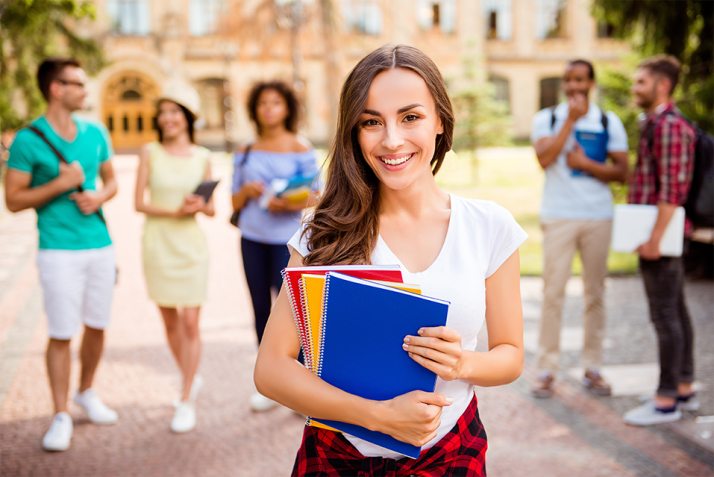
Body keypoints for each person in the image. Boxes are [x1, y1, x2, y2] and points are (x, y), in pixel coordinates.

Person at [254, 44, 527, 475]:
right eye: (371, 122)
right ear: (353, 132)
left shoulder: (489, 226)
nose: (392, 140)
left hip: (451, 453)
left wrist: (463, 364)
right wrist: (377, 417)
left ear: (440, 120)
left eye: (410, 117)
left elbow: (511, 355)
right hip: (337, 455)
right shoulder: (321, 232)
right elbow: (270, 370)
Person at [4, 57, 118, 452]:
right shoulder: (27, 139)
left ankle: (86, 391)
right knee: (61, 332)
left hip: (100, 244)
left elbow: (111, 180)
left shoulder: (96, 131)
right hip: (57, 250)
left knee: (98, 324)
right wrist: (60, 184)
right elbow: (13, 200)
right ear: (57, 88)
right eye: (79, 84)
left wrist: (98, 195)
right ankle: (60, 413)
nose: (86, 91)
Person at [529, 59, 629, 398]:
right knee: (553, 293)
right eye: (568, 80)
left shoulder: (607, 121)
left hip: (598, 216)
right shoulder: (548, 119)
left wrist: (586, 164)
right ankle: (546, 369)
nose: (574, 86)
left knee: (595, 294)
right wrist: (569, 122)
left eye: (580, 80)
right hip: (559, 215)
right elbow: (544, 159)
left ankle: (593, 367)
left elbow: (622, 171)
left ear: (591, 83)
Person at [231, 80, 319, 412]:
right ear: (254, 109)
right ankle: (268, 381)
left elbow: (318, 194)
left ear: (287, 108)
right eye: (262, 103)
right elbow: (233, 197)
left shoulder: (300, 147)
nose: (269, 108)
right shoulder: (245, 150)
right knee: (259, 308)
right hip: (252, 239)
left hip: (290, 243)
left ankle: (300, 384)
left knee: (296, 312)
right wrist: (249, 193)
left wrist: (288, 202)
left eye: (276, 102)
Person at [134, 81, 214, 433]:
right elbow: (139, 202)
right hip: (158, 244)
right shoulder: (149, 151)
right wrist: (175, 212)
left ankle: (185, 399)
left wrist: (198, 206)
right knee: (169, 323)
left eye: (175, 112)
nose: (168, 118)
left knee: (191, 324)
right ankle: (189, 376)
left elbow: (211, 210)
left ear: (187, 118)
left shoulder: (203, 156)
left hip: (191, 249)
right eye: (163, 112)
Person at [623, 55, 698, 426]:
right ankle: (683, 386)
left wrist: (653, 239)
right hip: (658, 236)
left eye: (641, 82)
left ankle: (666, 399)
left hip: (661, 239)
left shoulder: (669, 126)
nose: (635, 89)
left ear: (662, 85)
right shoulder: (657, 123)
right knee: (676, 311)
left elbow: (673, 190)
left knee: (665, 315)